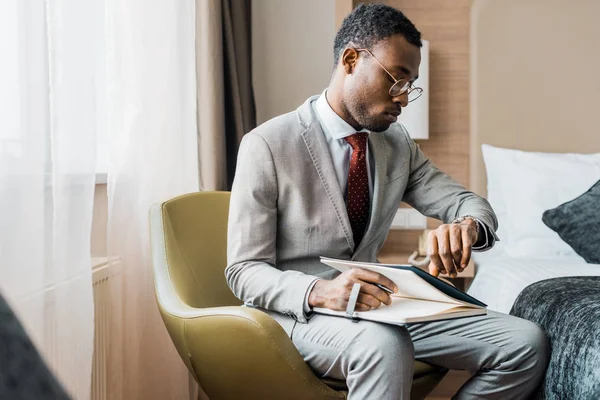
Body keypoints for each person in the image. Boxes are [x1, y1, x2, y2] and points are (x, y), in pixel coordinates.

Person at [226, 3, 548, 399]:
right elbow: (244, 271)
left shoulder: (396, 145)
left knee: (525, 342)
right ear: (350, 59)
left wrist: (468, 226)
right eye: (396, 79)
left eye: (410, 85)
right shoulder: (267, 145)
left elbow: (467, 202)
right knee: (383, 345)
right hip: (299, 314)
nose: (404, 98)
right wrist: (320, 291)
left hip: (378, 306)